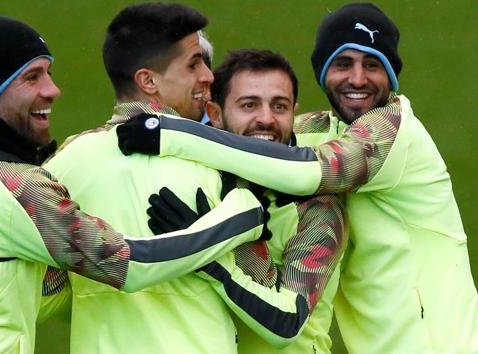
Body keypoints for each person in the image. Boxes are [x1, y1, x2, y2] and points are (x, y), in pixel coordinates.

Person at [0, 15, 265, 353]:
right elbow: (133, 264)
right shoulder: (13, 184)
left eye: (48, 73)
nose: (54, 90)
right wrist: (238, 217)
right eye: (33, 77)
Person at [117, 3, 478, 353]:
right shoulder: (322, 128)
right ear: (323, 71)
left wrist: (170, 134)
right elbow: (253, 136)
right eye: (342, 64)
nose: (357, 78)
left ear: (392, 75)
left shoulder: (395, 130)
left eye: (373, 64)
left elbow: (311, 170)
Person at [43, 4, 343, 353]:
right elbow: (281, 315)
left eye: (279, 106)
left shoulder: (62, 166)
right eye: (193, 64)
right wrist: (203, 251)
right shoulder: (228, 178)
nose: (207, 75)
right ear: (148, 81)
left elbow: (46, 292)